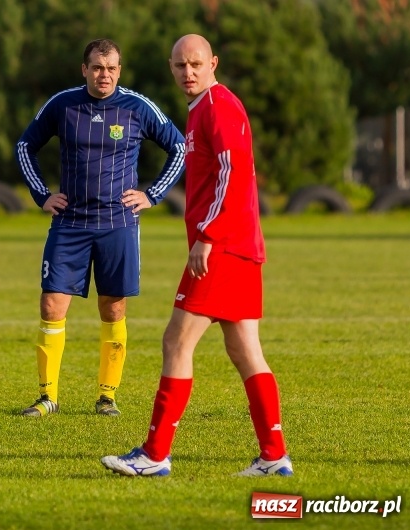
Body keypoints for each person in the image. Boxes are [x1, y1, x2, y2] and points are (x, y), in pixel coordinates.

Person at [101, 34, 292, 477]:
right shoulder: (202, 108)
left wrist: (207, 235)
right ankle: (273, 455)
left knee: (176, 341)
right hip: (239, 246)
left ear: (213, 64)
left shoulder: (219, 106)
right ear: (171, 67)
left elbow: (233, 172)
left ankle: (154, 454)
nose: (188, 72)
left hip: (224, 247)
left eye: (196, 64)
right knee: (245, 349)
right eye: (180, 65)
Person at [15, 38, 186, 417]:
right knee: (51, 303)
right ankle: (47, 398)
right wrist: (42, 195)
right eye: (96, 67)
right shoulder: (63, 104)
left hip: (118, 223)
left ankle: (107, 397)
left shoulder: (137, 107)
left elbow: (180, 148)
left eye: (110, 68)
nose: (103, 75)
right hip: (70, 222)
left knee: (113, 309)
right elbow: (25, 146)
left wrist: (152, 194)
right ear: (84, 70)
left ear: (119, 71)